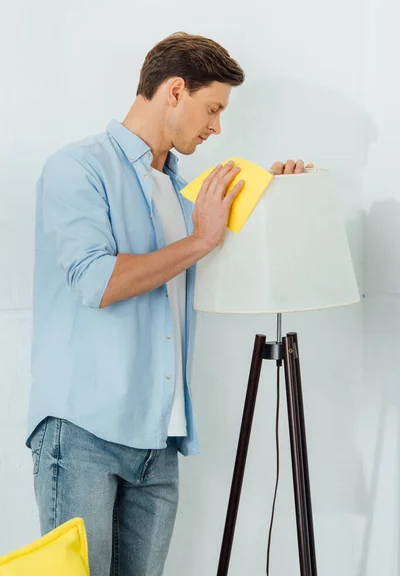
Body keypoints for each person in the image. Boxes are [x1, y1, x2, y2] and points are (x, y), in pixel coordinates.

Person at [27, 32, 313, 576]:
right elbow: (96, 281)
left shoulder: (181, 192)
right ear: (175, 90)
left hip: (158, 440)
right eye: (213, 108)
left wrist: (276, 197)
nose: (217, 127)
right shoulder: (79, 167)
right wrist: (201, 239)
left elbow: (210, 259)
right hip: (84, 431)